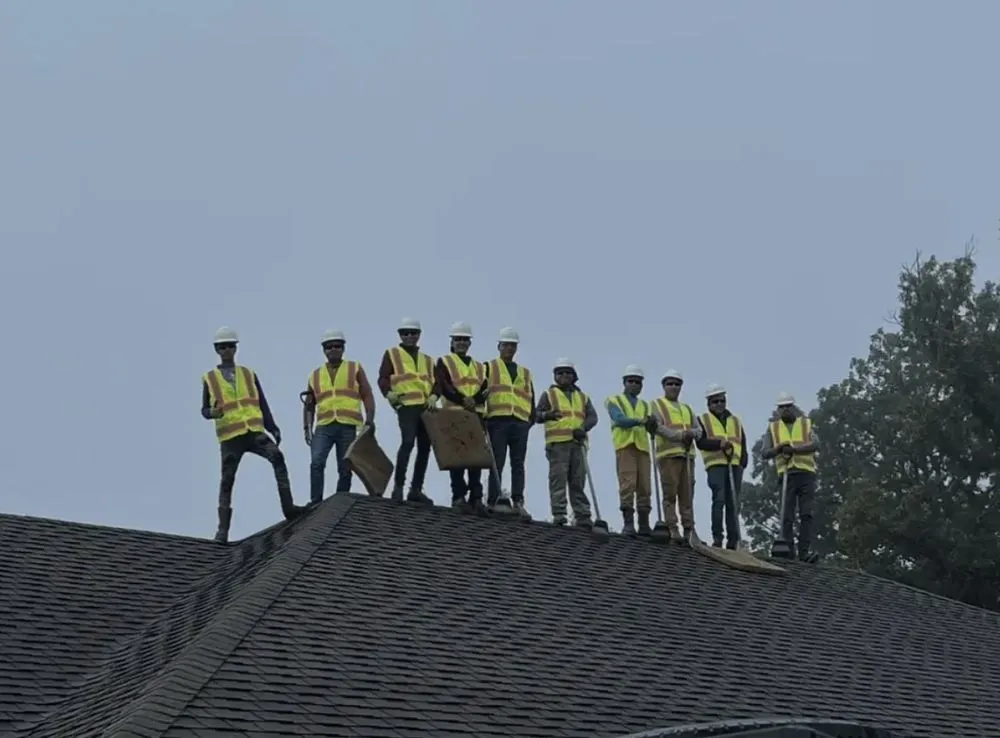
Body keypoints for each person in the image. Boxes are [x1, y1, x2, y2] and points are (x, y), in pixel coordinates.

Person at [200, 326, 306, 544]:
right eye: (223, 347)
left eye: (230, 346)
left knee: (277, 457)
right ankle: (223, 529)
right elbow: (204, 410)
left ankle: (289, 507)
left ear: (235, 348)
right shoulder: (210, 378)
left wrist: (272, 426)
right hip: (231, 437)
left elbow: (261, 402)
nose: (227, 350)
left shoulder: (248, 374)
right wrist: (213, 412)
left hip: (253, 431)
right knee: (227, 479)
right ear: (216, 350)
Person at [300, 329, 376, 503]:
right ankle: (315, 501)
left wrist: (370, 419)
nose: (333, 349)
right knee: (317, 462)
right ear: (323, 350)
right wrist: (307, 428)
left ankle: (340, 500)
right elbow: (309, 405)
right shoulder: (316, 375)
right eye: (329, 347)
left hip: (347, 425)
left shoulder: (354, 368)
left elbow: (367, 394)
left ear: (343, 348)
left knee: (345, 466)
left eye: (337, 346)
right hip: (324, 426)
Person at [376, 317, 437, 504]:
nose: (409, 336)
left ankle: (416, 489)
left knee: (425, 448)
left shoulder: (427, 360)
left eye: (413, 333)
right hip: (407, 407)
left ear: (419, 335)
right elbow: (383, 378)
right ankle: (398, 487)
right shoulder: (392, 354)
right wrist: (388, 394)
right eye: (405, 333)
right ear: (400, 335)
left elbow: (437, 382)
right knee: (408, 442)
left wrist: (435, 395)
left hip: (425, 408)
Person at [535, 358, 599, 527]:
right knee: (558, 479)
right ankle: (559, 513)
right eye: (560, 373)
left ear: (574, 376)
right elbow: (536, 415)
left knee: (578, 480)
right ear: (555, 376)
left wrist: (583, 428)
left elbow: (593, 417)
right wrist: (547, 415)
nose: (564, 376)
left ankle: (582, 515)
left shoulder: (582, 397)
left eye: (567, 373)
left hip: (578, 443)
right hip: (558, 444)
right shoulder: (549, 395)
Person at [435, 321, 490, 513]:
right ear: (452, 342)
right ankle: (458, 496)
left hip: (475, 415)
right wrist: (463, 399)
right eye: (458, 339)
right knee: (457, 459)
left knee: (475, 459)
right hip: (454, 414)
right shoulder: (445, 362)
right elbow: (444, 385)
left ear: (469, 343)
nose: (461, 343)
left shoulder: (479, 366)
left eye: (465, 340)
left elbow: (485, 388)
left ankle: (476, 497)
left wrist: (473, 400)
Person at [761, 392, 821, 563]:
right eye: (782, 407)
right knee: (786, 514)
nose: (785, 409)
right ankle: (788, 550)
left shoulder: (805, 424)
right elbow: (765, 452)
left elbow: (815, 443)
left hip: (806, 473)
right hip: (787, 474)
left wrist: (794, 449)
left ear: (793, 407)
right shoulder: (773, 428)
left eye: (788, 406)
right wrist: (779, 449)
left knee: (806, 514)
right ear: (778, 410)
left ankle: (804, 552)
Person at [484, 327, 535, 514]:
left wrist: (529, 421)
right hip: (497, 420)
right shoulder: (489, 367)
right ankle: (494, 498)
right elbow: (482, 393)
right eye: (506, 345)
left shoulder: (525, 373)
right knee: (497, 461)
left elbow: (531, 398)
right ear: (499, 346)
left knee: (518, 463)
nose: (509, 349)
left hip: (519, 422)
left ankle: (518, 500)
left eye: (512, 345)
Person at [651, 369, 702, 543]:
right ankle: (672, 528)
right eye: (669, 383)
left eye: (677, 384)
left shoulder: (687, 408)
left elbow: (699, 430)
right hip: (668, 456)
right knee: (670, 493)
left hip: (687, 456)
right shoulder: (657, 405)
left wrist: (691, 434)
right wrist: (680, 435)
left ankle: (689, 529)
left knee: (687, 495)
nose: (673, 387)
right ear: (664, 386)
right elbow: (658, 427)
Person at [695, 384, 748, 549]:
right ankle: (718, 538)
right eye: (715, 401)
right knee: (719, 500)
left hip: (734, 465)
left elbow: (743, 443)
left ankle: (734, 540)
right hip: (716, 465)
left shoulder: (735, 421)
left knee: (733, 504)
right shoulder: (702, 420)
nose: (719, 404)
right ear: (709, 404)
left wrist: (742, 463)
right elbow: (701, 442)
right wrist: (720, 443)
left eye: (722, 400)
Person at [604, 365, 653, 536]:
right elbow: (619, 419)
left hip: (642, 448)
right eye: (631, 381)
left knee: (644, 487)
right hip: (625, 446)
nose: (635, 385)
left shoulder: (645, 406)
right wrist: (641, 421)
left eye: (638, 382)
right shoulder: (614, 400)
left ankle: (644, 524)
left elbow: (653, 425)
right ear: (624, 382)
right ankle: (628, 523)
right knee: (628, 484)